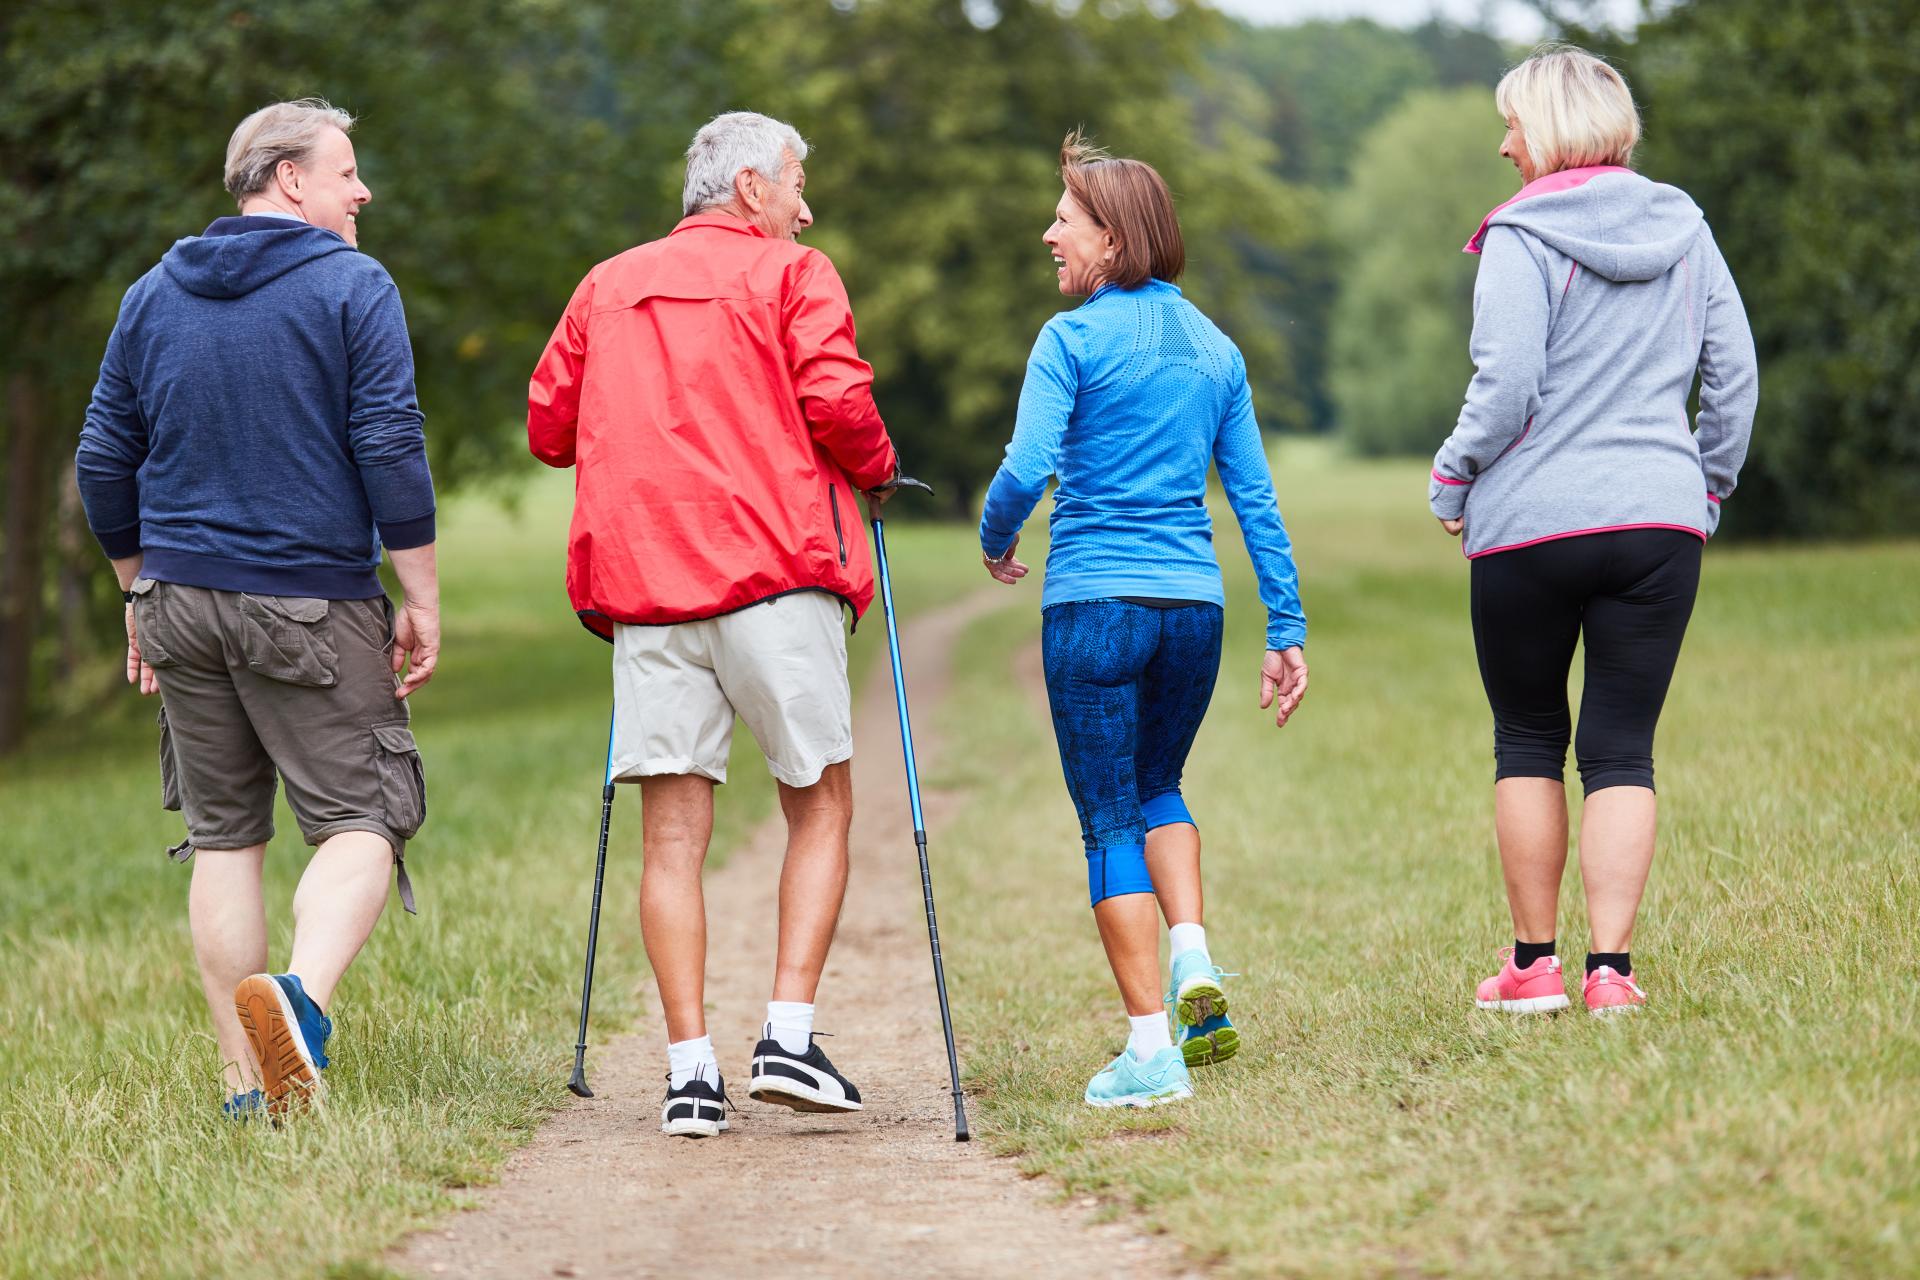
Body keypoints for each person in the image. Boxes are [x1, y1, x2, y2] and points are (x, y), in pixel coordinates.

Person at [528, 111, 901, 1139]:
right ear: (748, 188)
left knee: (671, 836)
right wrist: (876, 467)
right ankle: (787, 1033)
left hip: (649, 594)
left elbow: (548, 427)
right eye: (794, 182)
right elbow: (837, 399)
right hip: (775, 573)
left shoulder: (606, 284)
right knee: (821, 798)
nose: (803, 204)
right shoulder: (795, 273)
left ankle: (690, 1071)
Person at [75, 99, 440, 1118]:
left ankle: (250, 1086)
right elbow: (390, 448)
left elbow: (104, 456)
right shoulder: (354, 286)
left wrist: (136, 589)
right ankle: (300, 1002)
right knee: (365, 814)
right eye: (346, 172)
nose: (362, 190)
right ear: (287, 180)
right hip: (308, 600)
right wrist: (421, 594)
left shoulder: (155, 291)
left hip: (180, 598)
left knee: (226, 837)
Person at [979, 132, 1308, 1109]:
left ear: (1113, 238)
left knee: (1109, 816)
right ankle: (1193, 954)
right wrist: (1284, 622)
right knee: (1161, 781)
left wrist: (995, 538)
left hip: (1094, 606)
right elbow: (1255, 499)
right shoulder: (1217, 348)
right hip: (1193, 612)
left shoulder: (1069, 339)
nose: (1051, 234)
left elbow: (1025, 466)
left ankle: (1151, 1051)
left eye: (1065, 220)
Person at [1430, 46, 1757, 1016]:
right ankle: (1610, 975)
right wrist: (1702, 495)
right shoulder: (1687, 229)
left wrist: (1451, 477)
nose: (1503, 143)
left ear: (1553, 130)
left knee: (1529, 734)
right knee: (1622, 749)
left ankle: (1533, 967)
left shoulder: (1519, 235)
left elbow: (1507, 386)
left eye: (1514, 124)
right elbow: (1732, 380)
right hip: (1657, 520)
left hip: (1531, 525)